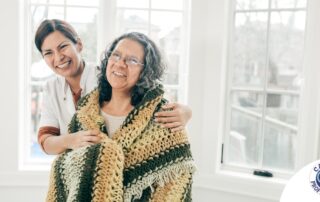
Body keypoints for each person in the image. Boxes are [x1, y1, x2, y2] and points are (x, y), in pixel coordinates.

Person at [46, 31, 195, 201]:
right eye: (115, 55)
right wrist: (104, 154)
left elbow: (174, 187)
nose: (120, 64)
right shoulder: (84, 114)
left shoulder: (164, 119)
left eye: (132, 60)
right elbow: (65, 168)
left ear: (146, 70)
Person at [34, 19, 192, 155]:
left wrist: (186, 112)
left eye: (63, 47)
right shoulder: (51, 88)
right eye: (48, 53)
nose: (58, 57)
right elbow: (45, 141)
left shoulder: (109, 76)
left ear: (79, 44)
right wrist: (71, 140)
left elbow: (148, 92)